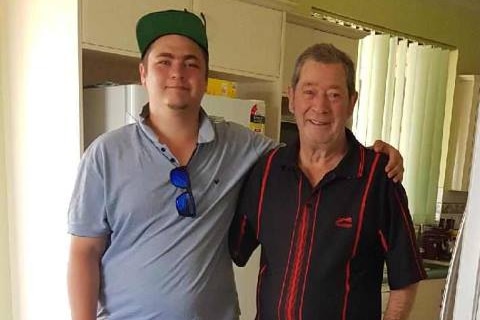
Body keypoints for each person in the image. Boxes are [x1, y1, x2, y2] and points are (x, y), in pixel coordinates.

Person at [67, 10, 404, 320]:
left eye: (191, 63)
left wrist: (379, 154)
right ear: (143, 73)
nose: (177, 74)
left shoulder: (242, 147)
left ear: (205, 75)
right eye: (164, 62)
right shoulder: (105, 156)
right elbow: (85, 253)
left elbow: (314, 148)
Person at [229, 43, 426, 320]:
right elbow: (233, 247)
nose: (319, 107)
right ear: (292, 97)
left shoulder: (379, 178)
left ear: (351, 103)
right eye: (309, 92)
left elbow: (405, 276)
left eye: (333, 95)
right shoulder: (266, 170)